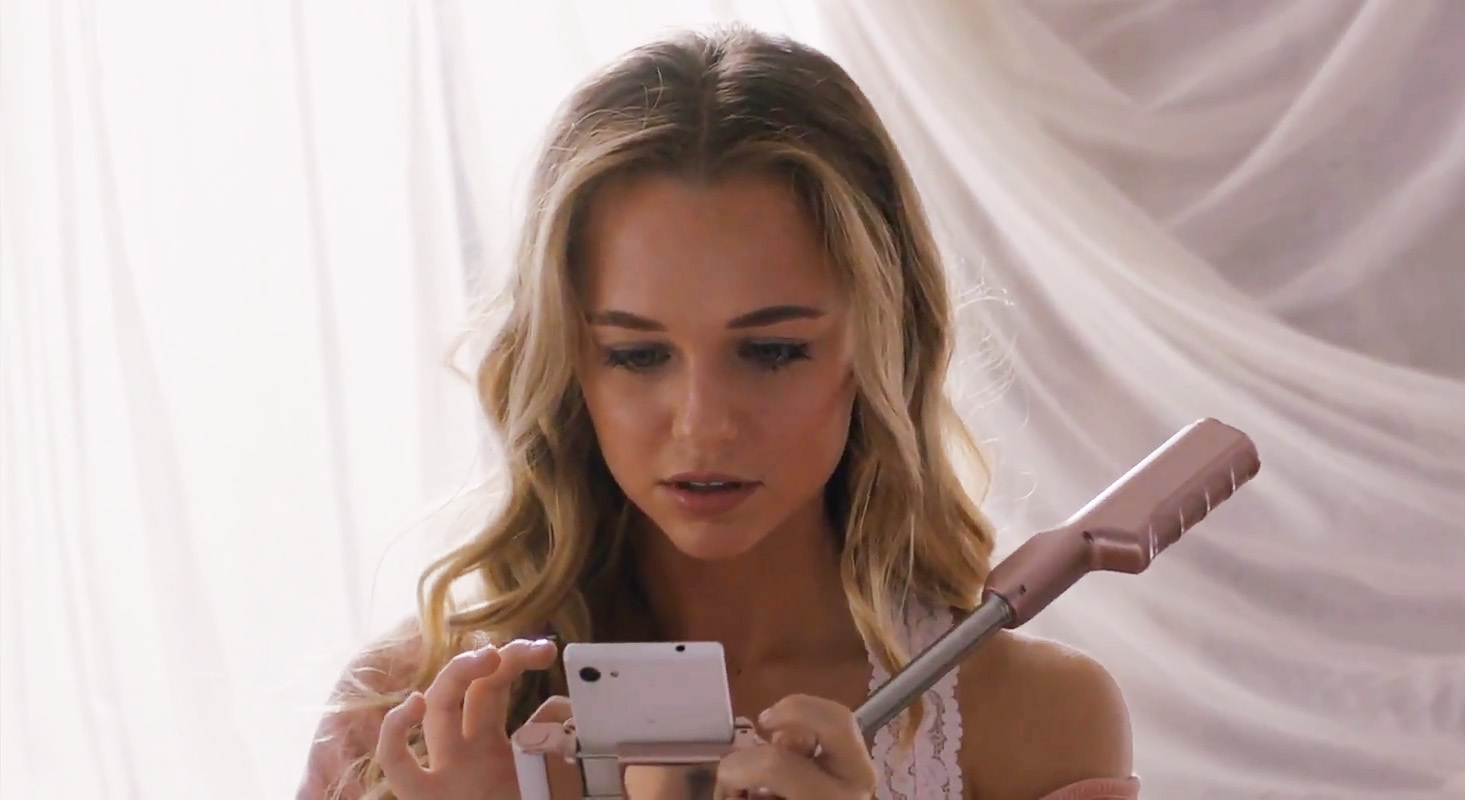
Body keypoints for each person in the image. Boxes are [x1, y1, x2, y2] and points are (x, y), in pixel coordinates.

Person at [298, 23, 1136, 800]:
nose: (702, 425)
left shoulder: (1031, 719)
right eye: (637, 354)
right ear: (567, 365)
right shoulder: (410, 719)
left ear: (885, 348)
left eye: (770, 351)